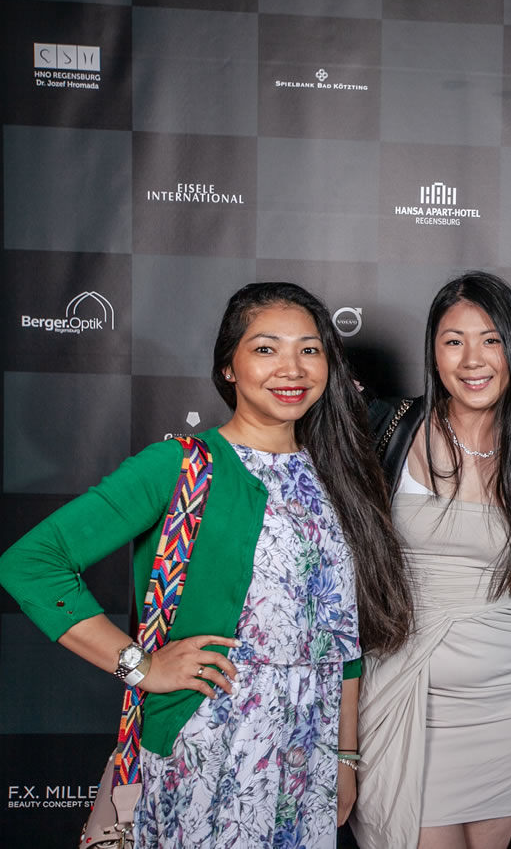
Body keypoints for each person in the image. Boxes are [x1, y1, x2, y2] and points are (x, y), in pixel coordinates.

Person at [0, 282, 413, 848]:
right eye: (265, 349)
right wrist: (140, 666)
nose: (291, 368)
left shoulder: (340, 475)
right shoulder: (181, 465)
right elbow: (31, 563)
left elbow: (342, 637)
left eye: (309, 350)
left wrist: (344, 756)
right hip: (209, 740)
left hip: (307, 748)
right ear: (228, 367)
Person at [351, 272, 511, 849]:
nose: (473, 360)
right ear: (433, 353)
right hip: (408, 695)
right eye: (453, 341)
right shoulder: (390, 428)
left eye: (491, 340)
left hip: (509, 701)